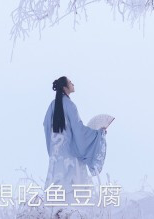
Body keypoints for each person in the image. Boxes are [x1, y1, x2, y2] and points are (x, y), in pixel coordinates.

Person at [42, 76, 108, 214]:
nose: (73, 84)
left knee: (56, 192)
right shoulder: (70, 106)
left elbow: (46, 125)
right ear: (65, 87)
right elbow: (79, 131)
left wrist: (54, 150)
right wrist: (98, 134)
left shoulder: (52, 105)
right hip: (71, 157)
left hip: (57, 158)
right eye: (70, 82)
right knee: (74, 193)